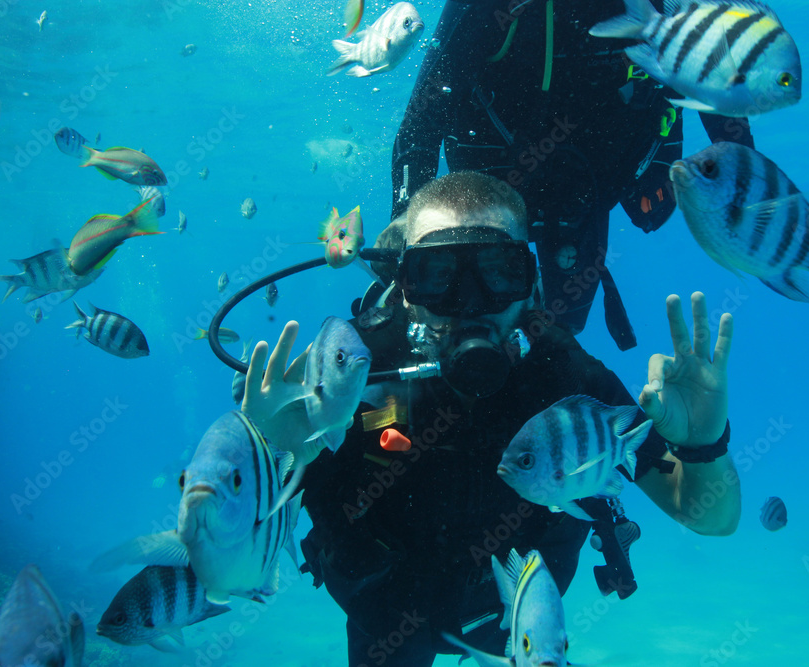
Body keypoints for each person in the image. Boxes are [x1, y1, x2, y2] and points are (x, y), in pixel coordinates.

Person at [243, 172, 740, 666]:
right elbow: (234, 540)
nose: (469, 303)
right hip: (386, 614)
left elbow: (711, 515)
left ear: (531, 283)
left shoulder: (564, 376)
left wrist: (705, 444)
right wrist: (268, 452)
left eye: (499, 271)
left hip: (521, 628)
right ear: (405, 286)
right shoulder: (350, 371)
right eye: (438, 273)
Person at [386, 0, 755, 348]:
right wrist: (405, 217)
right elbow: (423, 117)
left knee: (553, 343)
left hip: (587, 192)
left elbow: (721, 95)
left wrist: (747, 193)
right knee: (460, 329)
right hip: (488, 198)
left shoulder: (669, 8)